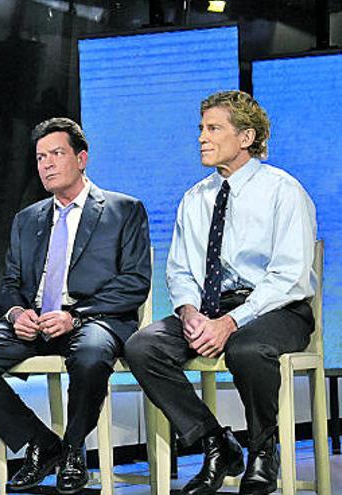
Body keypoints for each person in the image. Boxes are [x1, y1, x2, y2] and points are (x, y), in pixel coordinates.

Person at [125, 90, 317, 495]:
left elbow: (289, 276)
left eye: (213, 129)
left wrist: (231, 322)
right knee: (143, 346)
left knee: (246, 349)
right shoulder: (194, 198)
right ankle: (215, 442)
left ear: (246, 137)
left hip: (277, 309)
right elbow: (179, 269)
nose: (201, 138)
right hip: (211, 308)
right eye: (201, 129)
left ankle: (263, 450)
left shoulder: (283, 191)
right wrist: (190, 312)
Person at [0, 117, 151, 494]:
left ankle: (74, 450)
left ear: (82, 158)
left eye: (57, 154)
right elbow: (10, 283)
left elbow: (135, 283)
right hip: (37, 323)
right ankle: (41, 444)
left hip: (93, 321)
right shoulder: (26, 220)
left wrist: (74, 317)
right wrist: (17, 313)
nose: (47, 164)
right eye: (41, 157)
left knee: (91, 355)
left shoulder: (124, 210)